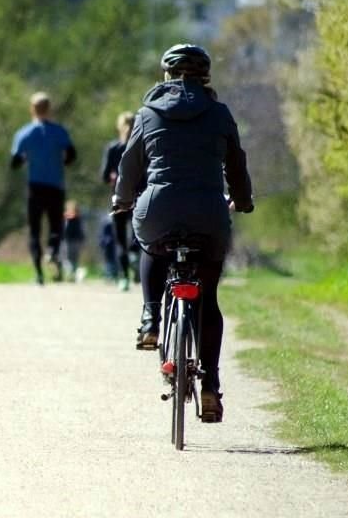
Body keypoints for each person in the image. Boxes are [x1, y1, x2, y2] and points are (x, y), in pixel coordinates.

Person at [113, 44, 253, 422]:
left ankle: (150, 319)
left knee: (151, 244)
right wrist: (242, 200)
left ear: (166, 75)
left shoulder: (147, 113)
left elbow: (129, 166)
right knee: (209, 299)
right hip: (209, 214)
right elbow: (236, 165)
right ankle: (210, 386)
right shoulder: (220, 113)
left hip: (158, 210)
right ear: (205, 77)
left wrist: (122, 200)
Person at [10, 92, 77, 285]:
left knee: (34, 231)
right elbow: (72, 155)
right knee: (56, 226)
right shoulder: (59, 132)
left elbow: (14, 162)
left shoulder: (24, 133)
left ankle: (39, 274)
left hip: (35, 187)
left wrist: (26, 158)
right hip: (55, 186)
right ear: (49, 109)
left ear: (32, 109)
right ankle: (52, 251)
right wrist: (60, 160)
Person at [100, 111, 137, 292]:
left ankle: (124, 277)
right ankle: (135, 256)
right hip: (139, 197)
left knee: (120, 240)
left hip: (119, 199)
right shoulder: (141, 147)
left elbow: (104, 175)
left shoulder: (113, 148)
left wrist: (113, 177)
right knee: (139, 235)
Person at [62, 200, 86, 281]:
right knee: (71, 259)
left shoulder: (72, 218)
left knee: (71, 259)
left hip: (72, 241)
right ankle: (72, 274)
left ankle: (72, 274)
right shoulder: (75, 218)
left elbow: (79, 230)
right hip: (72, 241)